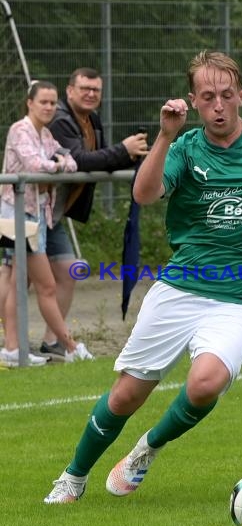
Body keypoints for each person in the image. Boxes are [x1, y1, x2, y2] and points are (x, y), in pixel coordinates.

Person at [44, 50, 242, 504]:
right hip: (180, 290)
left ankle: (146, 449)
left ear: (241, 96)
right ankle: (73, 477)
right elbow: (145, 194)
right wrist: (165, 137)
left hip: (241, 298)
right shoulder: (186, 147)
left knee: (204, 383)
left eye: (226, 95)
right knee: (127, 395)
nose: (218, 105)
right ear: (193, 100)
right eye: (207, 96)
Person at [41, 67, 148, 357]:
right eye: (84, 88)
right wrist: (123, 149)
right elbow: (81, 160)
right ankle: (12, 346)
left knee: (66, 273)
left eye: (96, 90)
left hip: (53, 214)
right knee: (16, 277)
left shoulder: (91, 120)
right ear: (70, 90)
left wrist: (136, 159)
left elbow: (100, 162)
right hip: (29, 209)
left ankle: (52, 342)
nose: (90, 94)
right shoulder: (60, 120)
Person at [0, 80, 94, 366]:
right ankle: (69, 346)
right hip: (16, 216)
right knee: (47, 285)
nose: (49, 107)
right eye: (43, 102)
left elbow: (71, 161)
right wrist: (56, 165)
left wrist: (58, 163)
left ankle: (14, 349)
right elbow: (35, 165)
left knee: (19, 283)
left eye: (53, 103)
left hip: (35, 217)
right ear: (29, 102)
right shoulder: (21, 130)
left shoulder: (45, 134)